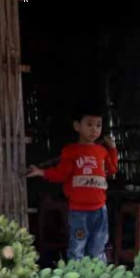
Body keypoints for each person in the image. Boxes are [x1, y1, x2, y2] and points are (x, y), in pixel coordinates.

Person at [27, 103, 119, 260]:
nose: (94, 129)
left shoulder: (102, 151)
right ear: (77, 126)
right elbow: (61, 174)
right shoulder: (70, 151)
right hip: (78, 212)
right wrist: (41, 172)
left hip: (100, 210)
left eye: (98, 125)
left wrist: (112, 149)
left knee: (98, 245)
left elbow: (112, 170)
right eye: (89, 124)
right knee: (78, 244)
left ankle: (99, 277)